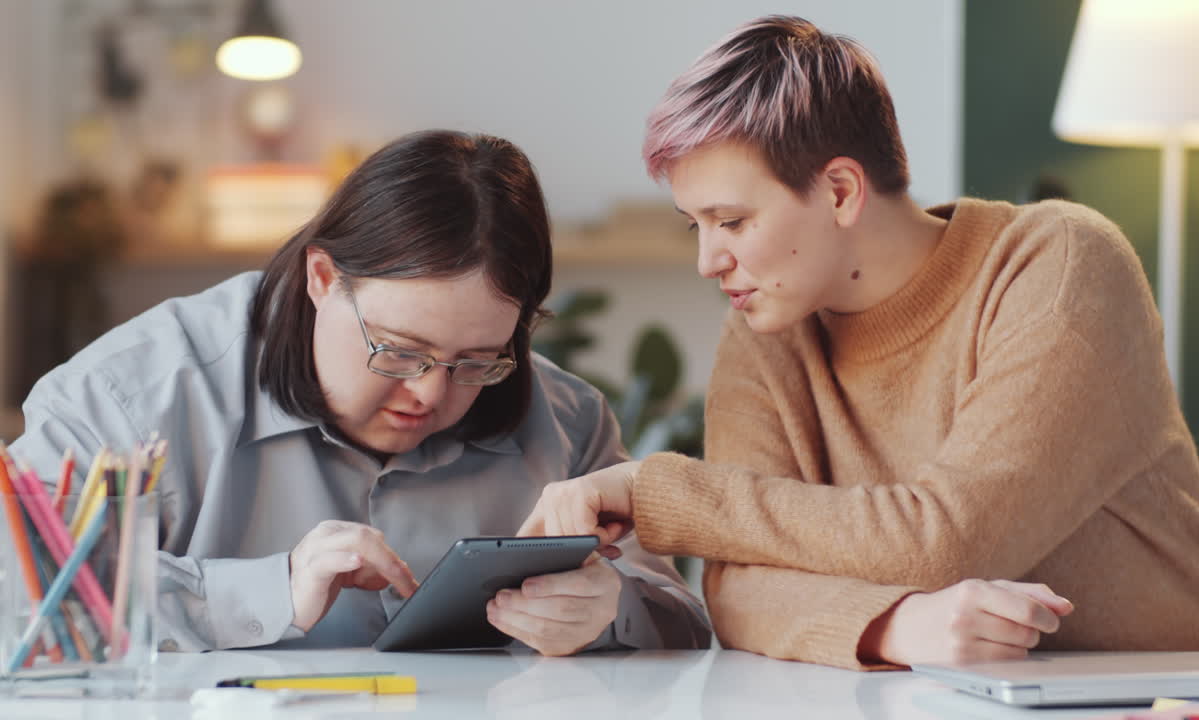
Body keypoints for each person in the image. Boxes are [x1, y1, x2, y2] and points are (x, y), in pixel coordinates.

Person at [518, 16, 1199, 669]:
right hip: (965, 700)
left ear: (841, 191)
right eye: (697, 226)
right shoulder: (765, 331)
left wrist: (657, 491)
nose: (708, 261)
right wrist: (894, 626)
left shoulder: (1057, 265)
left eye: (732, 221)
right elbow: (736, 590)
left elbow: (946, 540)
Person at [11, 130, 710, 655]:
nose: (429, 394)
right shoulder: (128, 395)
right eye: (400, 351)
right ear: (322, 279)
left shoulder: (567, 420)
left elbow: (683, 620)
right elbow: (19, 596)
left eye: (478, 361)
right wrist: (263, 593)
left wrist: (611, 610)